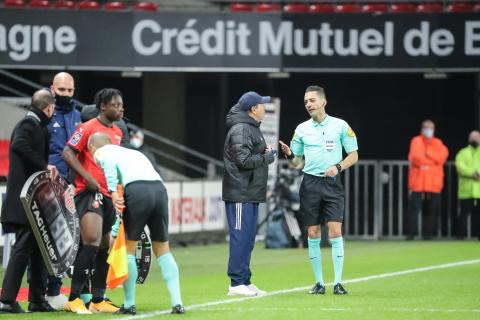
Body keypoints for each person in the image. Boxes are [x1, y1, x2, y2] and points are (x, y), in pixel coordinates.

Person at [88, 132, 185, 315]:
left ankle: (129, 304)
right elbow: (122, 208)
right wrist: (115, 231)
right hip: (159, 190)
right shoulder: (133, 153)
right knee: (163, 249)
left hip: (138, 190)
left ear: (93, 146)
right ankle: (177, 303)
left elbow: (108, 167)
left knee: (129, 250)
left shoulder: (103, 152)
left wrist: (113, 192)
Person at [279, 85, 358, 295]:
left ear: (323, 101)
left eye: (312, 100)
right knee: (313, 233)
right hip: (310, 184)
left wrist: (338, 167)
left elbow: (354, 155)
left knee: (335, 232)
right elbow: (296, 163)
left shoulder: (341, 126)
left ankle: (338, 283)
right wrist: (289, 155)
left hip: (332, 184)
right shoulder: (301, 129)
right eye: (306, 102)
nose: (308, 105)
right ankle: (319, 283)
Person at [62, 88, 124, 314]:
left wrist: (119, 191)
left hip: (109, 195)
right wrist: (87, 178)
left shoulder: (118, 132)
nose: (121, 108)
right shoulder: (85, 128)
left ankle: (98, 299)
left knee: (105, 247)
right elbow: (67, 153)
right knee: (92, 241)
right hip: (88, 193)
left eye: (121, 104)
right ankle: (74, 298)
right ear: (103, 107)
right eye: (116, 105)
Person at [0, 89, 57, 313]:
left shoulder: (36, 126)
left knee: (38, 250)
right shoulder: (28, 125)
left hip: (33, 202)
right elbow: (18, 145)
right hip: (25, 203)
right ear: (48, 108)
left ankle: (36, 299)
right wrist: (44, 166)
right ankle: (6, 300)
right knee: (23, 249)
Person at [222, 91, 276, 296]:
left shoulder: (250, 127)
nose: (265, 107)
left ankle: (244, 280)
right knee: (240, 238)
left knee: (247, 239)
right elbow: (243, 161)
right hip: (239, 193)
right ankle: (236, 284)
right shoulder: (242, 128)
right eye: (262, 104)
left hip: (249, 192)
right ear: (253, 109)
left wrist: (264, 154)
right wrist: (268, 157)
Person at [45, 71, 81, 309]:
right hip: (48, 185)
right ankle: (44, 290)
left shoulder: (80, 115)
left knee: (69, 239)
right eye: (61, 90)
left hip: (74, 185)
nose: (66, 94)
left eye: (70, 90)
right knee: (49, 238)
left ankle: (56, 291)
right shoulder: (45, 115)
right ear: (52, 88)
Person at [406, 120, 449, 240]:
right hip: (418, 182)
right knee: (414, 209)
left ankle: (428, 235)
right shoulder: (416, 141)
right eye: (426, 127)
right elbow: (415, 157)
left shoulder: (438, 142)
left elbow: (442, 157)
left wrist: (428, 154)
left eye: (431, 128)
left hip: (434, 183)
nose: (429, 130)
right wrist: (432, 162)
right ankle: (411, 234)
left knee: (432, 210)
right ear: (422, 128)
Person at [455, 130, 480, 240]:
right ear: (469, 139)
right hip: (466, 190)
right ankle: (461, 236)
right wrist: (472, 173)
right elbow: (460, 166)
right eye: (472, 137)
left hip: (479, 190)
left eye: (476, 137)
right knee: (463, 215)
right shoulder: (463, 152)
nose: (474, 139)